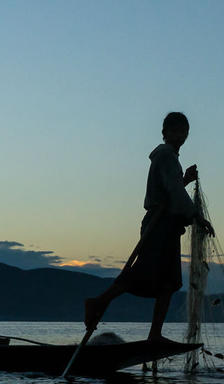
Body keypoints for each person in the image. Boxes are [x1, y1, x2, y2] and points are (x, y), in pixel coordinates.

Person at [84, 112, 214, 341]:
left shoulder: (170, 158)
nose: (179, 136)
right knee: (142, 274)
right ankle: (99, 301)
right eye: (174, 131)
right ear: (165, 133)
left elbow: (170, 189)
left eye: (183, 132)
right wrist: (196, 216)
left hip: (168, 225)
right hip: (158, 225)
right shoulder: (165, 155)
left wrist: (184, 180)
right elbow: (172, 193)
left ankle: (155, 333)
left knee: (169, 282)